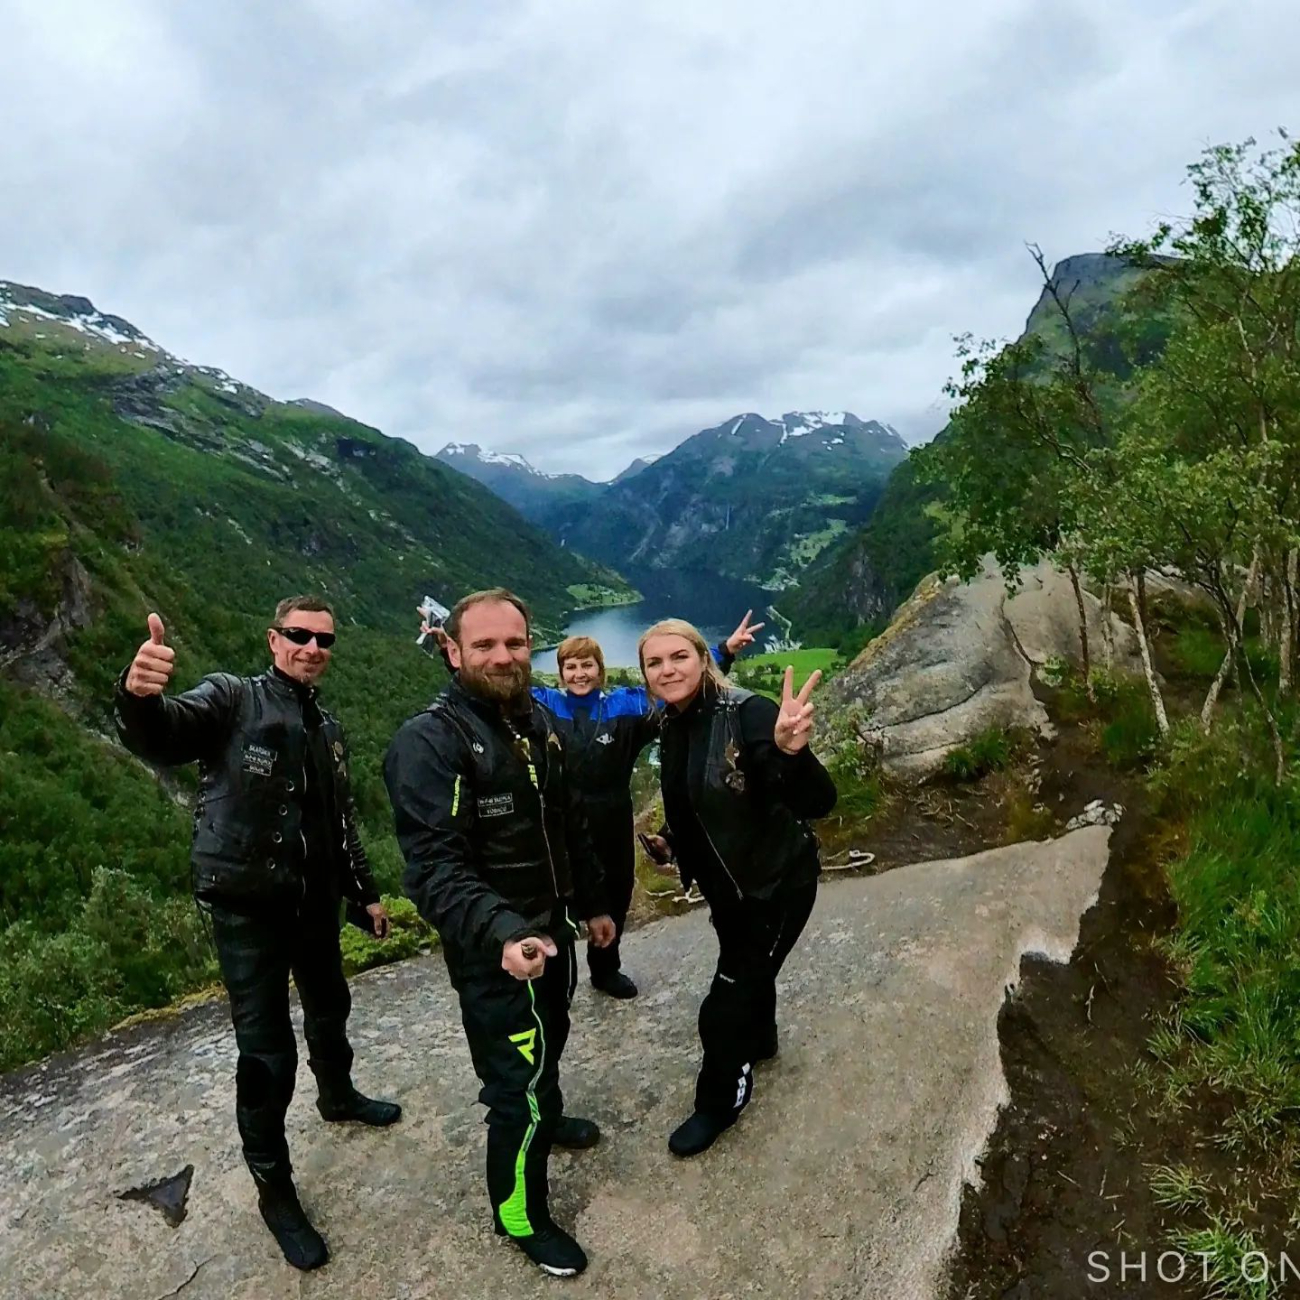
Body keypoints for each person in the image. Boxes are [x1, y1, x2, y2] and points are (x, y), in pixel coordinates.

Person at [113, 597, 401, 1272]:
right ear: (274, 640)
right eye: (299, 635)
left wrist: (364, 892)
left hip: (315, 904)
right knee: (266, 1056)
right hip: (247, 908)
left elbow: (341, 821)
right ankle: (275, 1191)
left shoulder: (326, 726)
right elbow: (164, 734)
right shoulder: (231, 699)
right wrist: (138, 698)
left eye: (324, 638)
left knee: (331, 1005)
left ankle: (338, 1096)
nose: (312, 646)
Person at [384, 588, 615, 1278]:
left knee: (550, 1043)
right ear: (452, 650)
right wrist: (506, 933)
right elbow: (433, 870)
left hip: (551, 933)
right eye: (483, 645)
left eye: (514, 643)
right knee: (513, 1086)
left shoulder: (537, 722)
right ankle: (520, 1214)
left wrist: (595, 901)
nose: (503, 656)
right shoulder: (431, 742)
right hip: (497, 951)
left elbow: (568, 824)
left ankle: (549, 1115)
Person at [636, 618, 837, 1157]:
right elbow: (698, 802)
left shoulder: (748, 714)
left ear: (703, 659)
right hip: (733, 892)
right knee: (748, 968)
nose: (667, 669)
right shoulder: (674, 721)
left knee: (723, 1007)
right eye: (654, 663)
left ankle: (719, 1102)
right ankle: (763, 1038)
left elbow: (817, 802)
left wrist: (793, 754)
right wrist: (674, 844)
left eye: (678, 656)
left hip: (774, 889)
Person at [526, 611, 764, 999]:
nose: (579, 674)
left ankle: (605, 969)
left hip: (612, 814)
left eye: (587, 665)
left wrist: (725, 651)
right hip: (559, 818)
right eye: (571, 667)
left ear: (600, 671)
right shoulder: (543, 705)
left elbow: (673, 687)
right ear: (560, 672)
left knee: (616, 891)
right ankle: (555, 975)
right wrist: (447, 651)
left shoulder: (624, 706)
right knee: (560, 893)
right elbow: (499, 689)